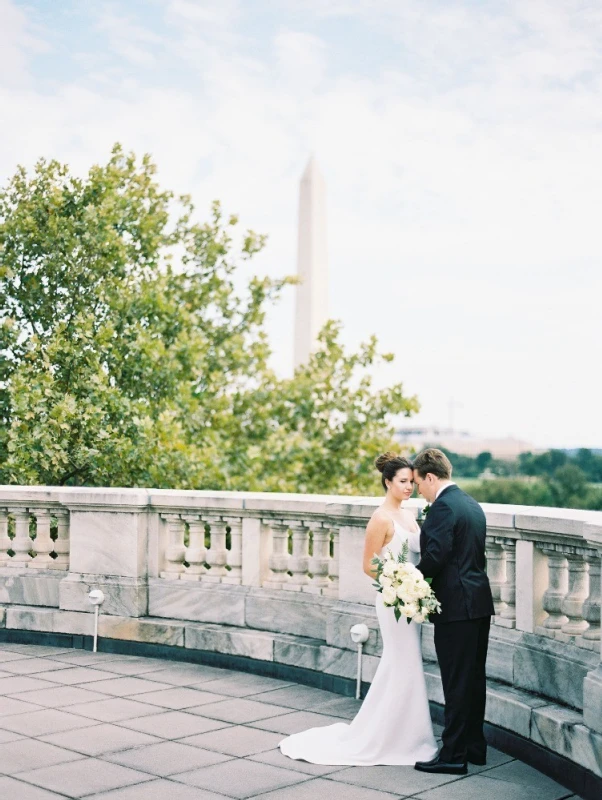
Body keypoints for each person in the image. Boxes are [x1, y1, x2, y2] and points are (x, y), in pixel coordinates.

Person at [279, 453, 438, 766]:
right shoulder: (380, 518)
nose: (409, 487)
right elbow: (369, 565)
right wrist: (400, 586)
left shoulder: (409, 515)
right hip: (393, 600)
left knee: (404, 663)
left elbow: (414, 553)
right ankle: (397, 738)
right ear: (388, 482)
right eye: (403, 481)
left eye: (411, 481)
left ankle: (406, 734)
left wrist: (415, 588)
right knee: (402, 661)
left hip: (411, 601)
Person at [413, 448, 494, 775]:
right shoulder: (471, 503)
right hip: (478, 602)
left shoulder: (443, 507)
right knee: (474, 677)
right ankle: (475, 746)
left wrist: (410, 578)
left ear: (430, 477)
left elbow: (436, 556)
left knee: (456, 681)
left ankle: (453, 754)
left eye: (419, 483)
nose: (419, 490)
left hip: (456, 607)